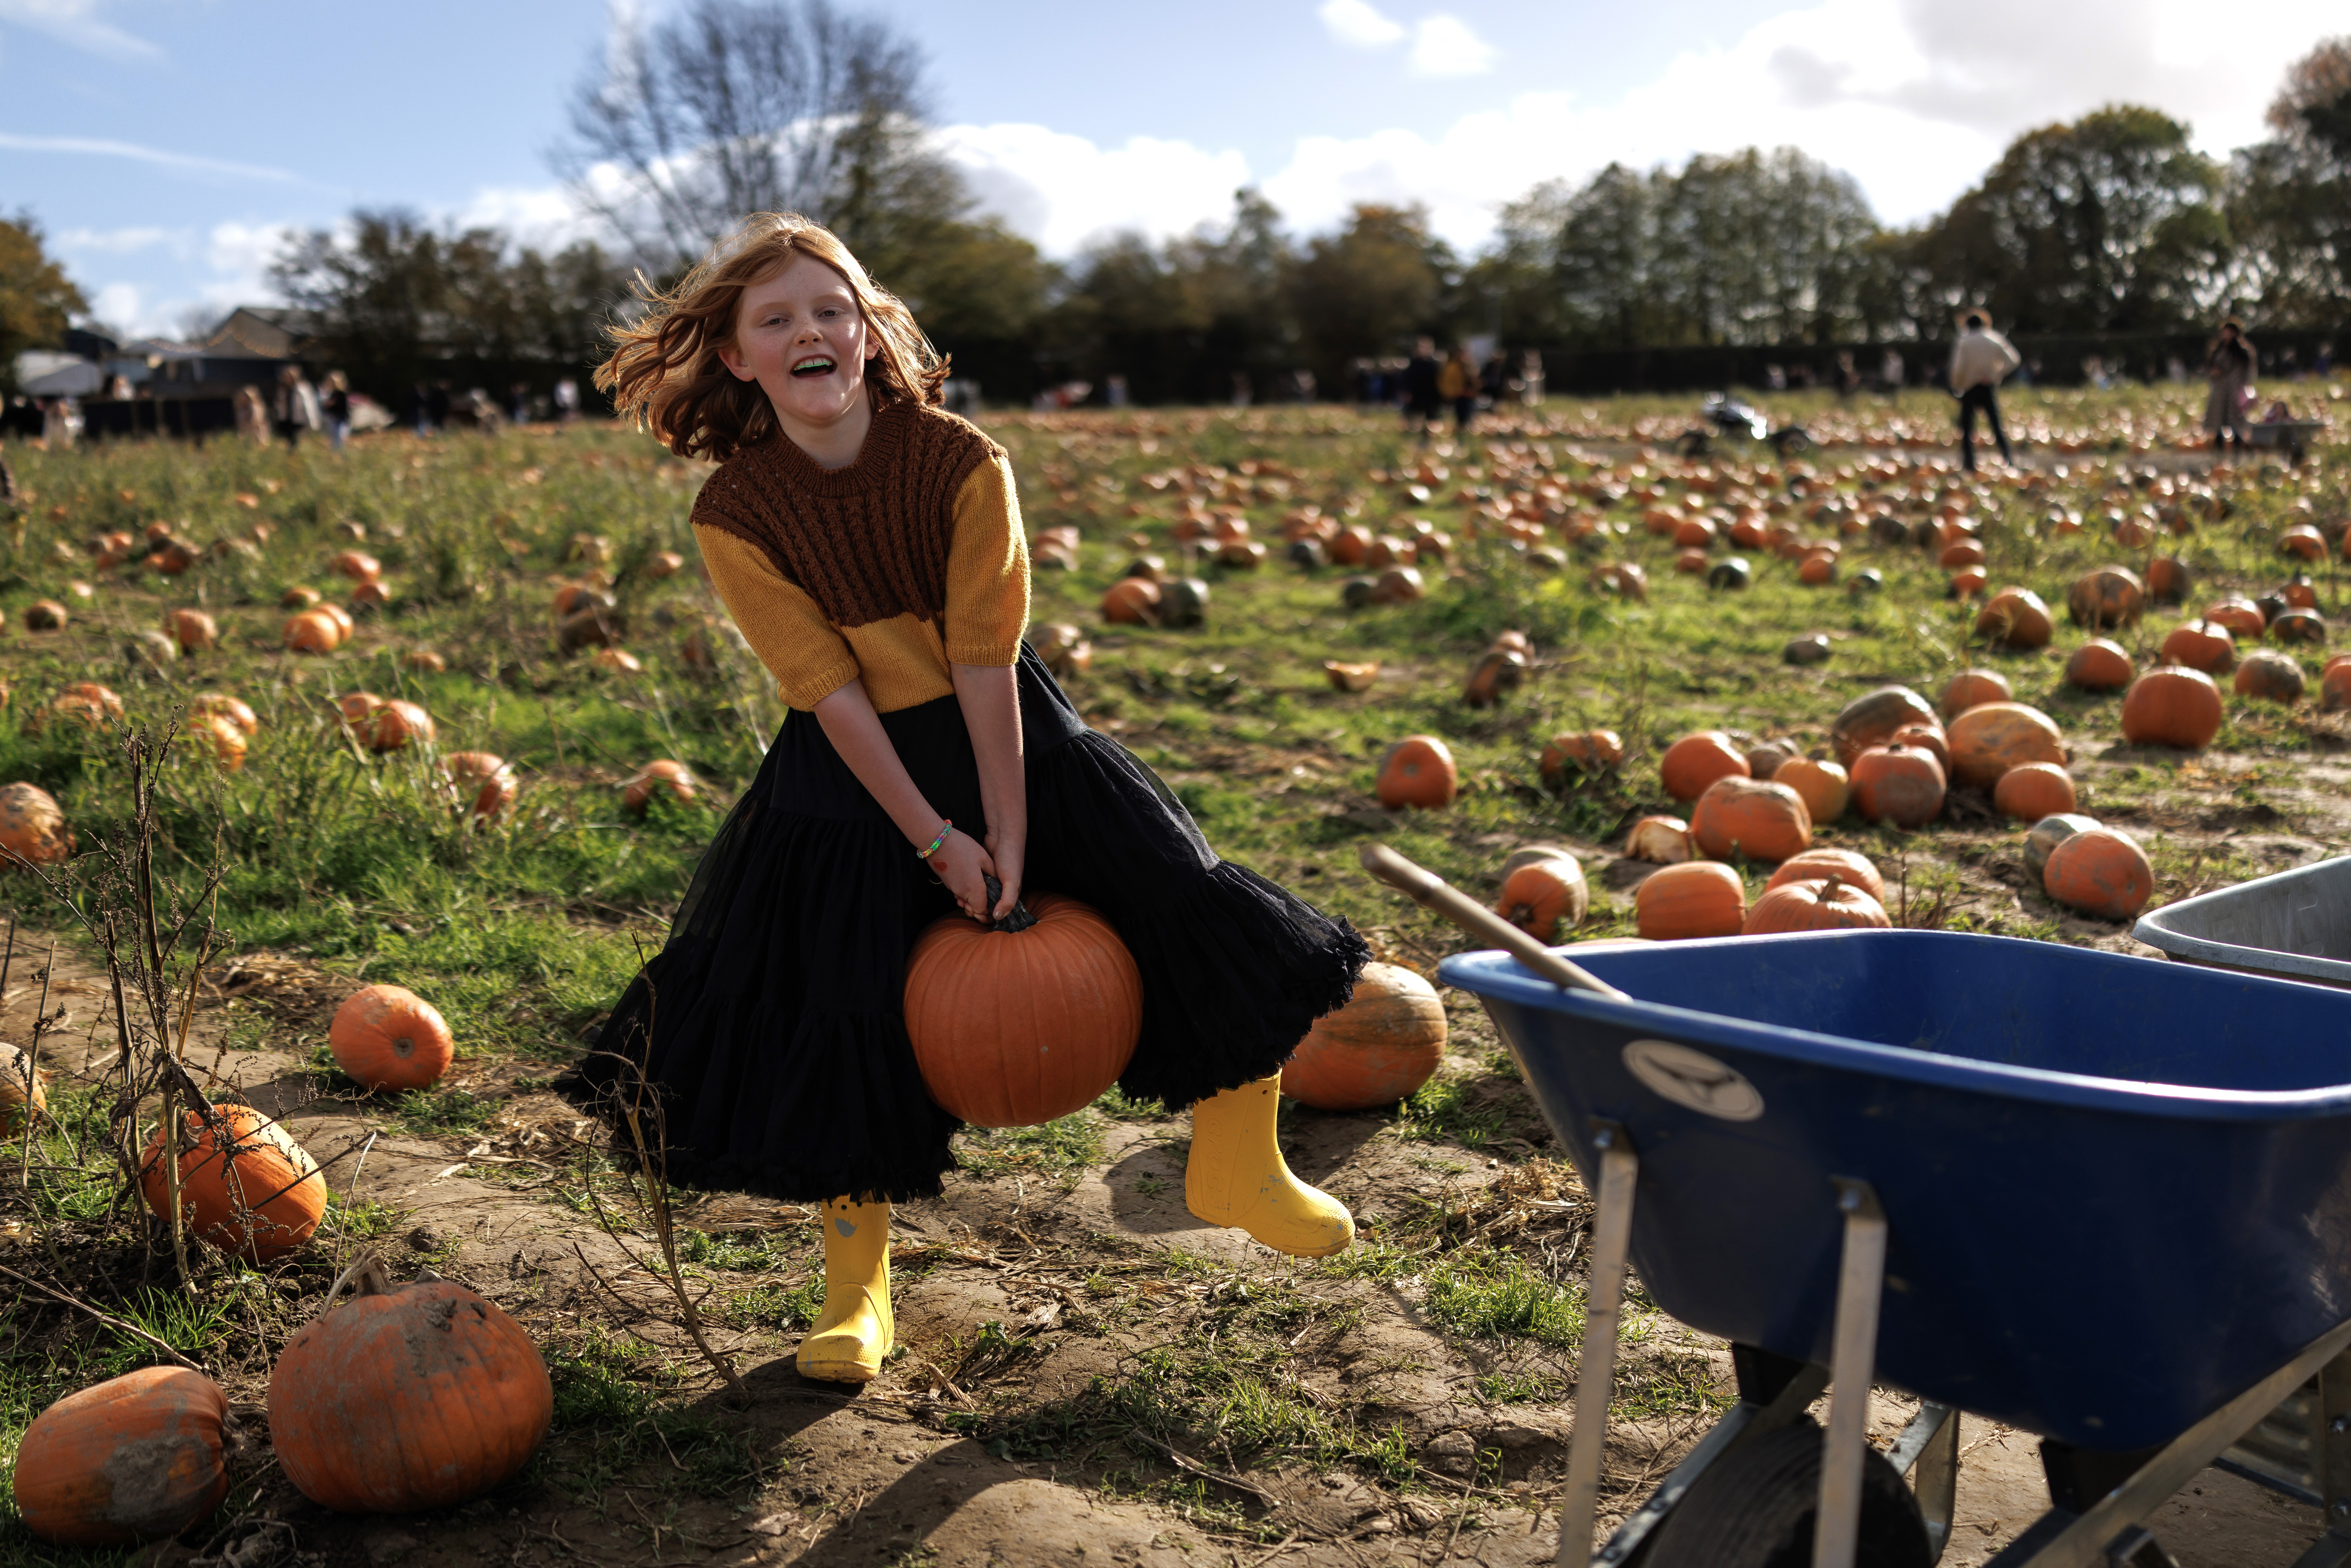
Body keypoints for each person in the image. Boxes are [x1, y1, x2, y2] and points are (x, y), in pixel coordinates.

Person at [567, 212, 1370, 1385]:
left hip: (1012, 733)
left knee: (1186, 898)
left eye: (831, 309)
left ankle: (1236, 1162)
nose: (810, 331)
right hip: (849, 774)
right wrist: (934, 837)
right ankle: (859, 1291)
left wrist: (1002, 822)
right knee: (837, 1005)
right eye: (776, 318)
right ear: (738, 358)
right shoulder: (737, 510)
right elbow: (827, 688)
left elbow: (989, 655)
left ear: (870, 331)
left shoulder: (958, 460)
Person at [1948, 310, 2019, 473]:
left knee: (1967, 427)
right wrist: (1996, 374)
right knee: (1996, 424)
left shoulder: (1964, 341)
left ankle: (1969, 463)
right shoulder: (1994, 338)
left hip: (1970, 388)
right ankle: (2008, 458)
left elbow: (1957, 369)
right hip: (1988, 386)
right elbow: (2014, 359)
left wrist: (1956, 386)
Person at [2203, 320, 2255, 459]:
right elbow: (2210, 368)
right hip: (2220, 390)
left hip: (2235, 390)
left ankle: (2238, 449)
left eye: (2229, 332)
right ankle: (2220, 450)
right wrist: (2214, 372)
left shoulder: (2242, 352)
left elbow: (2249, 373)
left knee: (2236, 421)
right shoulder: (2218, 350)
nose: (2226, 335)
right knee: (2219, 420)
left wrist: (2246, 387)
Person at [1401, 337, 1441, 442]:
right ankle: (1413, 439)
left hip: (1430, 396)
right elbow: (1408, 380)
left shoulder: (1434, 364)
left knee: (1431, 420)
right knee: (1415, 419)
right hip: (1416, 396)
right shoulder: (1413, 364)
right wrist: (1407, 392)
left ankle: (1430, 440)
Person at [1438, 345, 1476, 436]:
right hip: (1453, 394)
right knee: (1452, 416)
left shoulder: (1468, 365)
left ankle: (1465, 433)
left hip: (1467, 394)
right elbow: (1445, 380)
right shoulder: (1449, 365)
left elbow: (1474, 379)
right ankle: (1457, 432)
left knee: (1467, 415)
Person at [321, 371, 352, 452]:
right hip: (334, 420)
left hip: (342, 421)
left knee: (340, 440)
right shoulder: (332, 394)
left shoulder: (342, 394)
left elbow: (343, 408)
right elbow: (327, 409)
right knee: (334, 441)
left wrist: (332, 405)